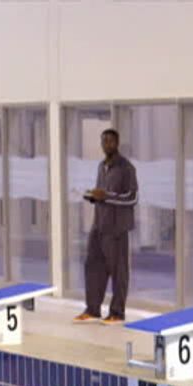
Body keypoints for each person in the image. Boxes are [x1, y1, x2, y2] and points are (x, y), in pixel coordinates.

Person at [76, 129, 139, 324]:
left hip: (117, 228)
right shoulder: (101, 166)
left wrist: (106, 196)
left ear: (117, 143)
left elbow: (132, 198)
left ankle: (117, 313)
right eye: (104, 141)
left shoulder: (126, 168)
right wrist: (94, 196)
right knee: (93, 266)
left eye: (110, 141)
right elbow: (103, 196)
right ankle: (92, 309)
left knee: (119, 271)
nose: (107, 145)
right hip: (99, 225)